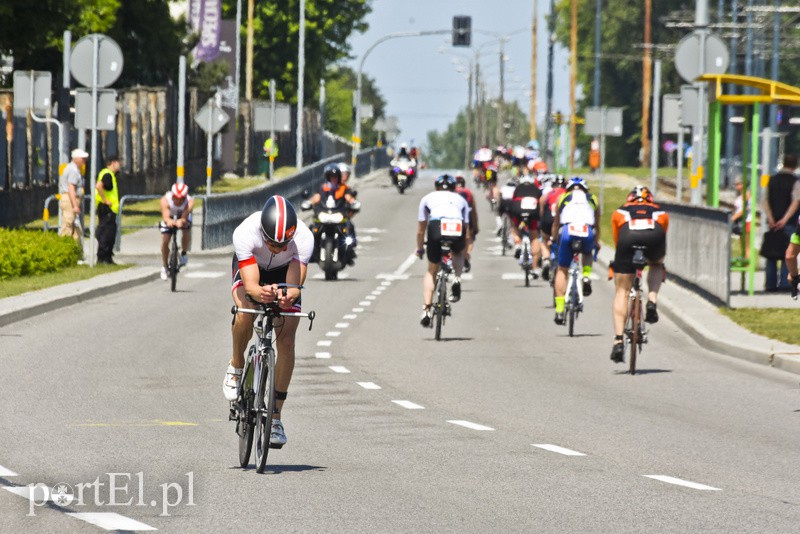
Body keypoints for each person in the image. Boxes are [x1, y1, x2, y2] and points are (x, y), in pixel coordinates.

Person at [224, 195, 313, 447]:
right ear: (262, 232)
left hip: (284, 272)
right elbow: (251, 285)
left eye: (283, 243)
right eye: (272, 242)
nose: (277, 247)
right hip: (253, 267)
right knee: (246, 309)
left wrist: (288, 296)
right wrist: (258, 292)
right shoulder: (246, 233)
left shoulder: (304, 239)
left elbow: (295, 286)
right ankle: (236, 365)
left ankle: (275, 417)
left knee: (286, 338)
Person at [609, 186, 669, 363]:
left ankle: (619, 340)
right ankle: (652, 300)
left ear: (629, 200)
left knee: (622, 291)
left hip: (628, 237)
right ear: (650, 200)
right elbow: (663, 234)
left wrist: (621, 261)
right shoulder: (660, 212)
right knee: (657, 264)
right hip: (654, 236)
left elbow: (616, 239)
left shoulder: (619, 212)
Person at [416, 174, 470, 326]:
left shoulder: (427, 198)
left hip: (436, 226)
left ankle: (426, 309)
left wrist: (420, 248)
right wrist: (464, 251)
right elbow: (466, 231)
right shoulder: (461, 200)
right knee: (457, 252)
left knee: (431, 270)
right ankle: (457, 278)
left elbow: (421, 230)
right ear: (454, 188)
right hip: (457, 225)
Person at [551, 177, 600, 325]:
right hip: (586, 230)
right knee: (587, 253)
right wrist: (596, 243)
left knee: (562, 270)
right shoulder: (593, 199)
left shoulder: (562, 197)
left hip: (568, 230)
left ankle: (559, 310)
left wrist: (554, 240)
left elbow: (556, 222)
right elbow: (596, 224)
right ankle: (586, 276)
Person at [307, 164, 358, 262]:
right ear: (328, 177)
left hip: (338, 215)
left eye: (335, 177)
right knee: (312, 230)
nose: (334, 179)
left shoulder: (343, 188)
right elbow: (316, 197)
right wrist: (308, 203)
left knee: (349, 228)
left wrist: (354, 203)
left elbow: (349, 198)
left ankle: (349, 250)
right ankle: (311, 251)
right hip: (324, 215)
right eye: (331, 177)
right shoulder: (323, 188)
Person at [763, 155, 800, 291]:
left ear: (783, 164)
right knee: (789, 253)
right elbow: (796, 201)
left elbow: (765, 200)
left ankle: (770, 285)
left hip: (773, 223)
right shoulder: (796, 182)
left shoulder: (771, 180)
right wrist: (784, 220)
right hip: (789, 223)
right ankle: (785, 285)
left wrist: (771, 218)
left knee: (771, 253)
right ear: (795, 166)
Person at [159, 183, 195, 280]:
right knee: (165, 240)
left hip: (182, 217)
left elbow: (185, 215)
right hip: (169, 217)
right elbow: (166, 216)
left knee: (186, 231)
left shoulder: (189, 201)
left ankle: (184, 253)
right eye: (176, 198)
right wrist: (169, 221)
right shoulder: (165, 200)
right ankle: (165, 266)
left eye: (181, 199)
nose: (178, 201)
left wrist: (182, 221)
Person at [510, 174, 542, 274]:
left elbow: (513, 202)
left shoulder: (518, 188)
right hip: (533, 210)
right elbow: (540, 204)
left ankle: (518, 244)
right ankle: (534, 267)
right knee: (534, 236)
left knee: (515, 227)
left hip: (519, 208)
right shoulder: (536, 189)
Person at [94, 155, 121, 264]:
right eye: (118, 163)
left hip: (109, 209)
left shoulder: (109, 175)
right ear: (113, 163)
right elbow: (99, 186)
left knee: (110, 232)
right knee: (106, 233)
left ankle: (108, 257)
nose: (120, 166)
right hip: (106, 208)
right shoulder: (107, 174)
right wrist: (105, 200)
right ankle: (103, 258)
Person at [540, 175, 567, 281]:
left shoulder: (547, 195)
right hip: (561, 222)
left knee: (544, 240)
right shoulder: (566, 195)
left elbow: (541, 211)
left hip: (548, 220)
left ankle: (546, 259)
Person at [58, 148, 88, 242]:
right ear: (76, 159)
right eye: (82, 158)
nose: (84, 161)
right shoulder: (73, 170)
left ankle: (74, 250)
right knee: (68, 224)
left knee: (75, 227)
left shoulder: (74, 169)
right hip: (70, 199)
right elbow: (71, 188)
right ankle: (65, 248)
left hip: (71, 198)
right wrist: (75, 205)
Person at [455, 172, 479, 272]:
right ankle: (466, 255)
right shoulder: (468, 192)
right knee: (470, 238)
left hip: (453, 217)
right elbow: (473, 209)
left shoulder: (451, 192)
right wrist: (475, 224)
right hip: (466, 217)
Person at [731, 177, 751, 261]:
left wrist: (733, 217)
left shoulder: (746, 195)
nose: (736, 186)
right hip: (740, 221)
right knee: (741, 243)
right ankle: (745, 259)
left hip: (746, 221)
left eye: (738, 184)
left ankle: (748, 261)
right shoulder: (740, 195)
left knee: (746, 244)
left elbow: (744, 209)